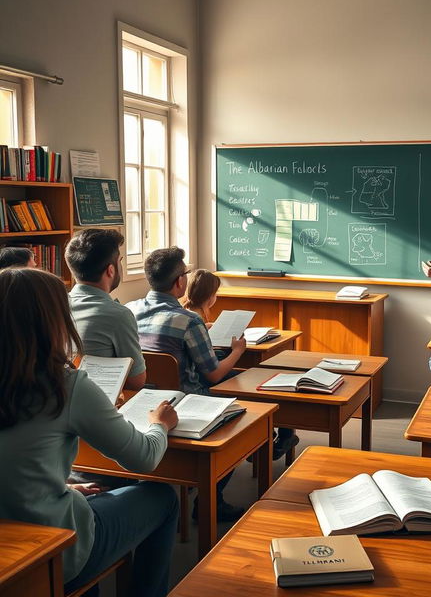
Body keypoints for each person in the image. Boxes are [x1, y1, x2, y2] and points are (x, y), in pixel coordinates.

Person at [0, 268, 178, 597]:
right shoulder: (63, 385)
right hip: (54, 548)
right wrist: (160, 424)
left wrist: (62, 485)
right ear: (54, 320)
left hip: (8, 547)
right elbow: (144, 458)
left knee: (89, 494)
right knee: (162, 497)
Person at [126, 247, 251, 521]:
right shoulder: (190, 320)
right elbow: (214, 376)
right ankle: (212, 501)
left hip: (141, 401)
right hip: (185, 401)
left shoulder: (128, 311)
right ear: (180, 282)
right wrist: (238, 352)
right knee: (242, 413)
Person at [65, 228, 146, 391]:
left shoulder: (54, 305)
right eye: (120, 261)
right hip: (98, 401)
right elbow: (136, 381)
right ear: (110, 270)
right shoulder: (118, 315)